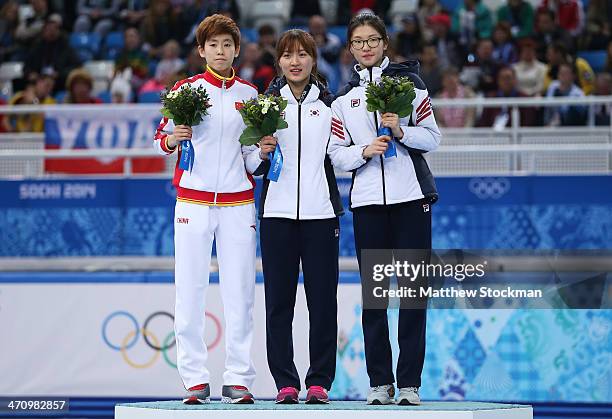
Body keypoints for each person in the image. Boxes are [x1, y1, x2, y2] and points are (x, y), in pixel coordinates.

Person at [327, 12, 441, 406]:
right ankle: (381, 383)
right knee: (375, 298)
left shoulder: (411, 85)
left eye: (373, 39)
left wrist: (400, 132)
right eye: (358, 41)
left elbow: (432, 137)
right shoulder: (343, 98)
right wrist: (364, 151)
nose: (366, 47)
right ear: (350, 49)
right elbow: (336, 155)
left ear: (384, 43)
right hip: (369, 205)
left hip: (412, 201)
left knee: (412, 296)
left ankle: (409, 384)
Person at [153, 13, 262, 405]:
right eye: (213, 45)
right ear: (201, 50)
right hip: (193, 204)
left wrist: (263, 156)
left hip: (238, 205)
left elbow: (251, 157)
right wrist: (172, 139)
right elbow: (159, 140)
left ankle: (238, 378)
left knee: (241, 294)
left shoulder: (251, 96)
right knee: (190, 292)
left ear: (237, 49)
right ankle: (195, 379)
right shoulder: (185, 90)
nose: (221, 51)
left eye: (228, 44)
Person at [245, 28, 343, 405]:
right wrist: (263, 151)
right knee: (279, 303)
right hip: (277, 216)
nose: (295, 61)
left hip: (321, 216)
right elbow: (252, 163)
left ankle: (319, 381)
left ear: (313, 61)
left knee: (322, 302)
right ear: (279, 62)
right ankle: (285, 381)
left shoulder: (329, 107)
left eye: (303, 54)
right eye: (288, 55)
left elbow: (340, 156)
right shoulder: (265, 107)